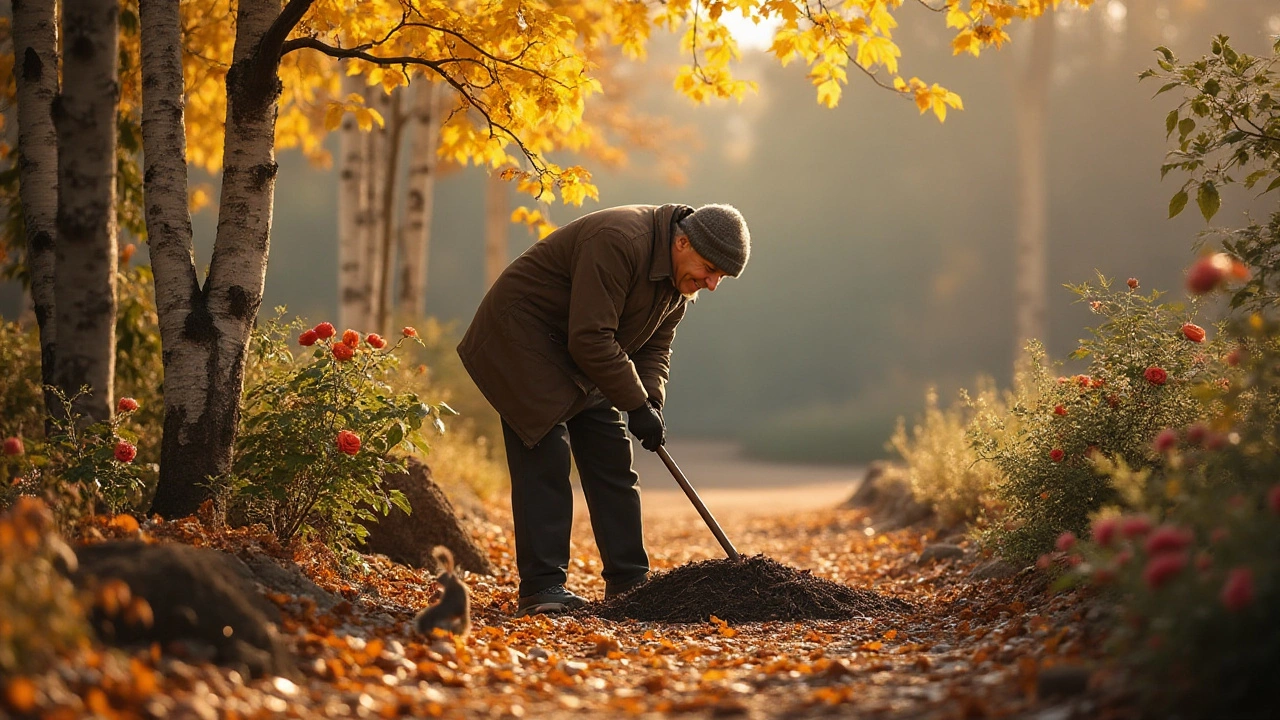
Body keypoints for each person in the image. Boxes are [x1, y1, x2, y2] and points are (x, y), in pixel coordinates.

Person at [457, 203, 751, 615]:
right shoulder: (620, 241)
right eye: (709, 269)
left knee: (612, 457)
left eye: (720, 276)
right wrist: (633, 403)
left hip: (581, 356)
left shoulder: (677, 285)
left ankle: (630, 584)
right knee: (545, 455)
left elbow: (654, 349)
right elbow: (591, 336)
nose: (712, 283)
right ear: (682, 242)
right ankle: (543, 588)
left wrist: (650, 402)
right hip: (523, 338)